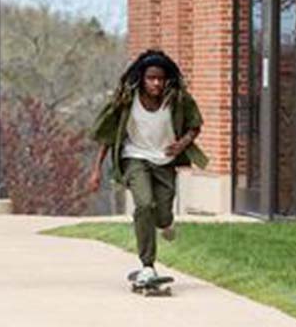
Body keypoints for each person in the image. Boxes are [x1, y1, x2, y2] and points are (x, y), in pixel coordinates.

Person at [88, 49, 207, 285]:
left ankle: (166, 223)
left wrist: (181, 144)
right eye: (151, 78)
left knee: (162, 215)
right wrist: (96, 170)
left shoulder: (177, 99)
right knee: (144, 205)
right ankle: (147, 265)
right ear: (141, 78)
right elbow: (108, 135)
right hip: (135, 157)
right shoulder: (126, 100)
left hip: (164, 161)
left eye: (160, 79)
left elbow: (195, 125)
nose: (156, 83)